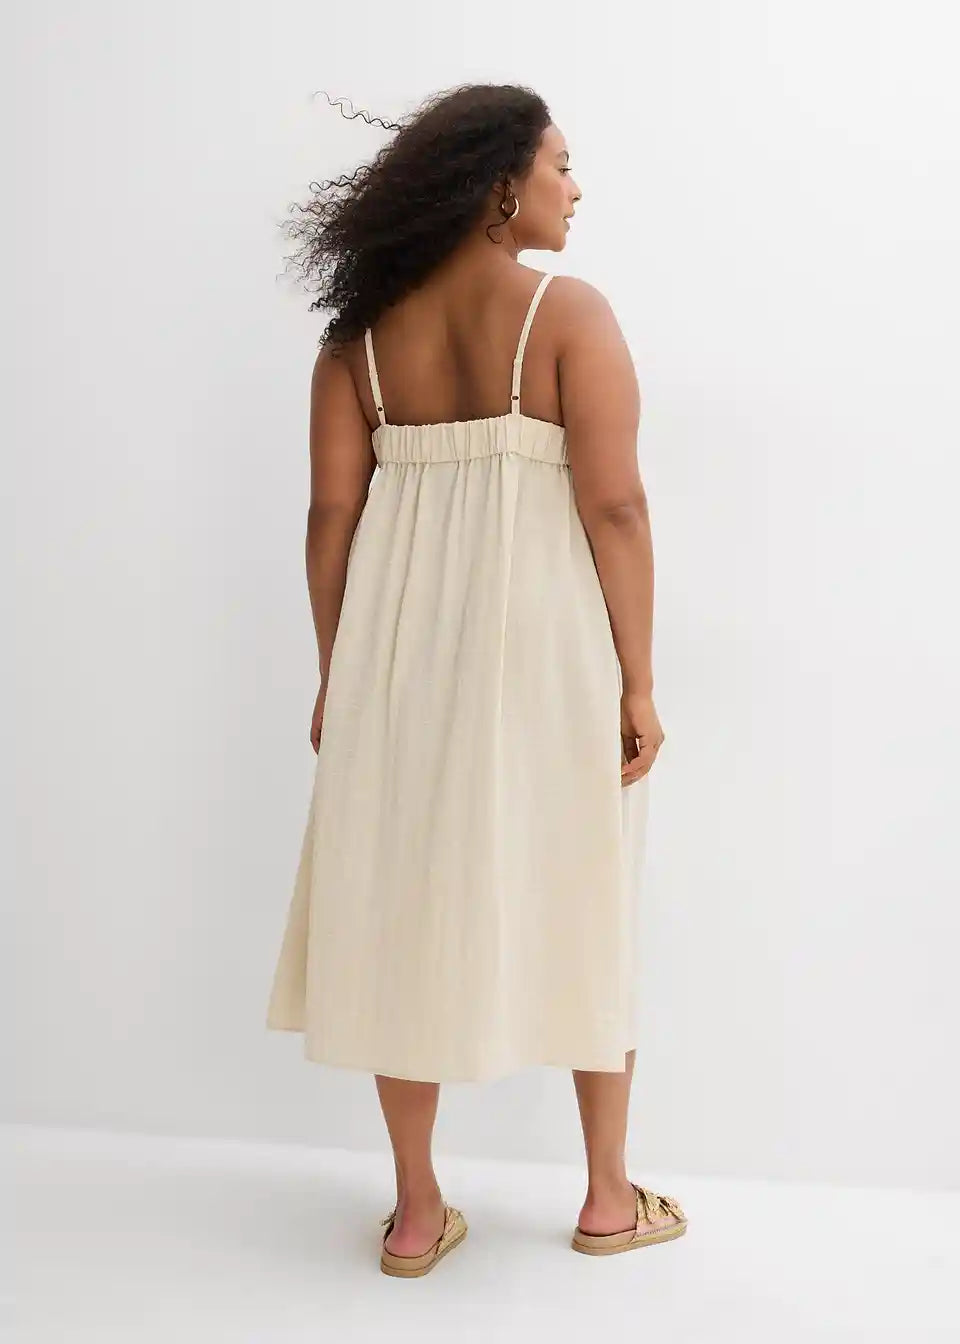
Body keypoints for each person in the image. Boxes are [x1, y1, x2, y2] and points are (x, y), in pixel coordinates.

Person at [265, 83, 686, 1275]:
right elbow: (616, 505)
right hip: (549, 656)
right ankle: (608, 1198)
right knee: (586, 892)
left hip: (396, 660)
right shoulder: (567, 314)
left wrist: (337, 673)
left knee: (401, 911)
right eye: (561, 166)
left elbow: (330, 519)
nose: (576, 189)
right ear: (502, 185)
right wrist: (639, 683)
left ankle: (414, 1213)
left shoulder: (356, 342)